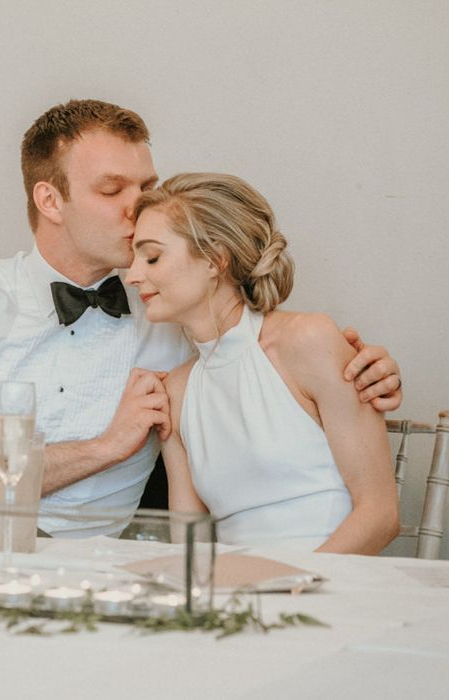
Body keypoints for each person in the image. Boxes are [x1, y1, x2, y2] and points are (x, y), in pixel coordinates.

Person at [0, 99, 402, 537]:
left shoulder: (169, 300)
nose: (138, 206)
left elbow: (254, 342)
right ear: (50, 200)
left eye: (146, 186)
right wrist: (104, 448)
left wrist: (366, 370)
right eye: (111, 190)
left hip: (107, 569)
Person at [126, 173, 400, 553]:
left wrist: (288, 594)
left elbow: (381, 515)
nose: (132, 275)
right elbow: (190, 547)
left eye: (152, 257)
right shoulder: (177, 389)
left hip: (331, 589)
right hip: (235, 599)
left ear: (214, 260)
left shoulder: (309, 339)